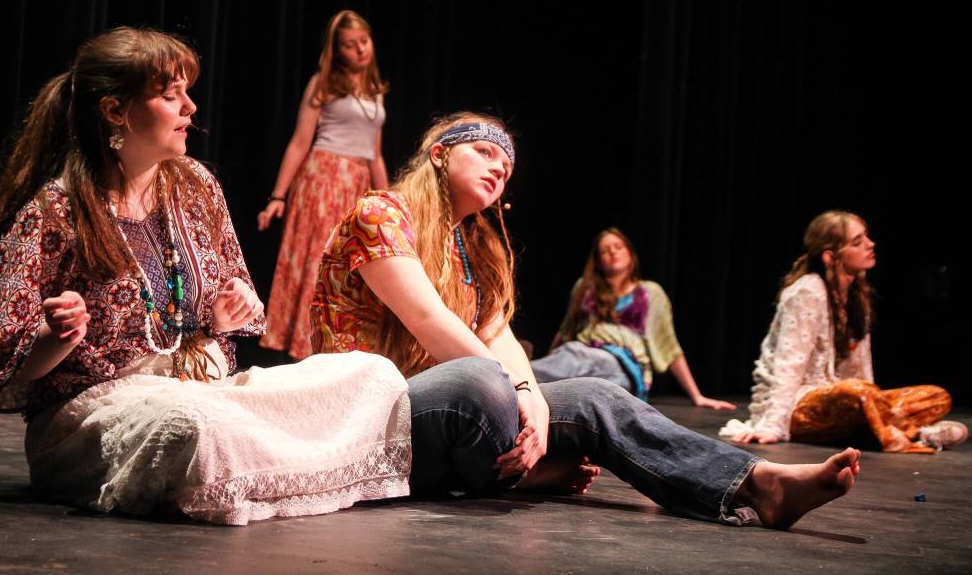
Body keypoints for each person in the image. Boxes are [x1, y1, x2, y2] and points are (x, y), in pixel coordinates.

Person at [311, 112, 863, 529]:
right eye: (484, 152)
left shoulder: (475, 248)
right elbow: (428, 319)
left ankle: (759, 485)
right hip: (380, 417)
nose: (499, 168)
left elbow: (498, 336)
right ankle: (527, 474)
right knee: (481, 381)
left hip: (461, 414)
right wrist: (515, 392)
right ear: (438, 154)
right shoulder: (380, 213)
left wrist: (531, 396)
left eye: (506, 167)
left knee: (593, 394)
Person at [0, 27, 411, 525]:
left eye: (187, 92)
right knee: (193, 427)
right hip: (96, 416)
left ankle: (257, 457)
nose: (191, 107)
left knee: (368, 375)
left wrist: (223, 315)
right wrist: (57, 336)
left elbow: (228, 312)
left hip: (203, 391)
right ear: (115, 111)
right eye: (170, 95)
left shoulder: (196, 186)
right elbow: (0, 360)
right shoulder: (56, 210)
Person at [719, 211, 963, 453]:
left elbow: (862, 371)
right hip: (797, 406)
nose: (870, 244)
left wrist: (871, 402)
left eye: (867, 237)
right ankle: (910, 432)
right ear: (831, 257)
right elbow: (789, 365)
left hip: (844, 401)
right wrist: (773, 425)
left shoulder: (857, 296)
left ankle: (885, 429)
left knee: (938, 396)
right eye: (857, 242)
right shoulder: (807, 292)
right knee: (856, 391)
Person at [257, 9, 389, 361]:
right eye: (349, 45)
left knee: (346, 265)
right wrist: (278, 196)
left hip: (357, 181)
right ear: (337, 50)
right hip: (324, 177)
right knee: (318, 260)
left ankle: (336, 344)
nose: (360, 50)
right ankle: (305, 346)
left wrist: (388, 201)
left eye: (364, 41)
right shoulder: (324, 83)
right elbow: (300, 142)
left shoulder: (375, 91)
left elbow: (375, 154)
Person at [532, 227, 736, 409]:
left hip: (622, 366)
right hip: (581, 358)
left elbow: (668, 345)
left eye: (618, 247)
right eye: (605, 250)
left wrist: (697, 396)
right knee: (568, 365)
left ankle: (521, 375)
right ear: (598, 261)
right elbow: (565, 331)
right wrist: (552, 356)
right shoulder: (584, 288)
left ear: (630, 253)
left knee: (583, 357)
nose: (613, 252)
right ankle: (525, 377)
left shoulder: (649, 293)